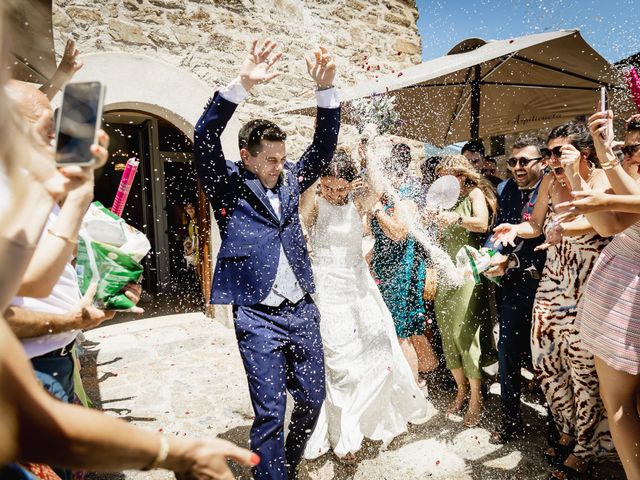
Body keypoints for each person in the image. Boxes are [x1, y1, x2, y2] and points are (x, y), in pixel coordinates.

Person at [193, 39, 340, 480]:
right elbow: (204, 135)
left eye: (282, 157)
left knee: (313, 399)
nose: (280, 165)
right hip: (257, 315)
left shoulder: (293, 177)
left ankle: (284, 468)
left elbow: (324, 147)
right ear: (247, 157)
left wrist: (326, 93)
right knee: (271, 411)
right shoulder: (227, 185)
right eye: (271, 159)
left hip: (302, 309)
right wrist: (241, 84)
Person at [492, 122, 614, 479]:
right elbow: (537, 224)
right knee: (545, 360)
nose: (550, 160)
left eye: (557, 152)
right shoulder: (548, 181)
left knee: (583, 370)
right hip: (554, 278)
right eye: (547, 153)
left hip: (587, 281)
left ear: (583, 151)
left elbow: (600, 224)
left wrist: (574, 176)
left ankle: (584, 447)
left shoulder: (601, 180)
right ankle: (566, 423)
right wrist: (515, 229)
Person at [300, 148, 431, 463]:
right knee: (338, 363)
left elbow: (380, 192)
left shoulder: (358, 203)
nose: (333, 193)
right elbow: (304, 206)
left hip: (359, 287)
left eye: (339, 188)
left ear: (350, 184)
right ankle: (340, 434)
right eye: (327, 186)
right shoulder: (315, 203)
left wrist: (371, 149)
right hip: (328, 291)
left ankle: (361, 425)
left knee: (376, 354)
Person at [557, 112, 640, 480]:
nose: (631, 152)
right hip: (616, 301)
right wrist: (579, 178)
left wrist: (606, 157)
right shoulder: (628, 176)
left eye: (634, 145)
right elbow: (608, 226)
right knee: (620, 405)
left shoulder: (621, 174)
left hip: (631, 297)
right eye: (629, 146)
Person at [483, 135, 547, 443]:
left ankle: (558, 427)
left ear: (542, 161)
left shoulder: (552, 188)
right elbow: (496, 232)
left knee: (545, 359)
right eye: (512, 161)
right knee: (507, 352)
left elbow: (545, 241)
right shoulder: (503, 189)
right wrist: (486, 257)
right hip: (511, 287)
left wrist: (512, 260)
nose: (517, 167)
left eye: (524, 161)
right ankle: (510, 421)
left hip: (547, 286)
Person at [427, 154, 497, 427]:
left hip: (467, 270)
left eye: (450, 175)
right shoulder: (441, 200)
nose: (445, 180)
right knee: (446, 332)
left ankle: (477, 396)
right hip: (445, 271)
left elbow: (482, 223)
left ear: (463, 175)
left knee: (464, 332)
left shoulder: (475, 193)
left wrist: (455, 219)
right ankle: (461, 390)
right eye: (440, 175)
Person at [370, 143, 438, 387]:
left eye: (387, 174)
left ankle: (413, 390)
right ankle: (422, 373)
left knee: (401, 333)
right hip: (386, 269)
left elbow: (399, 232)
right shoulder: (389, 196)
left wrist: (377, 212)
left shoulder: (408, 196)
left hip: (403, 270)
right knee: (402, 330)